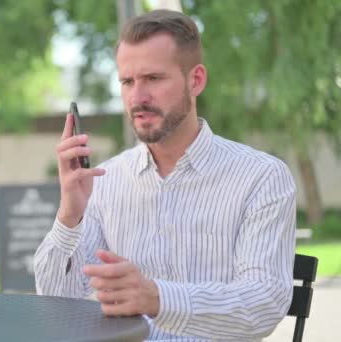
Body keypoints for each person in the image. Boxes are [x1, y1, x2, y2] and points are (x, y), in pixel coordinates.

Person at [34, 9, 296, 341]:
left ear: (196, 80)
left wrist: (156, 298)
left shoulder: (261, 178)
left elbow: (262, 304)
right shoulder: (107, 179)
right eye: (127, 82)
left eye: (153, 79)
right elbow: (57, 304)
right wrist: (70, 214)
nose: (137, 97)